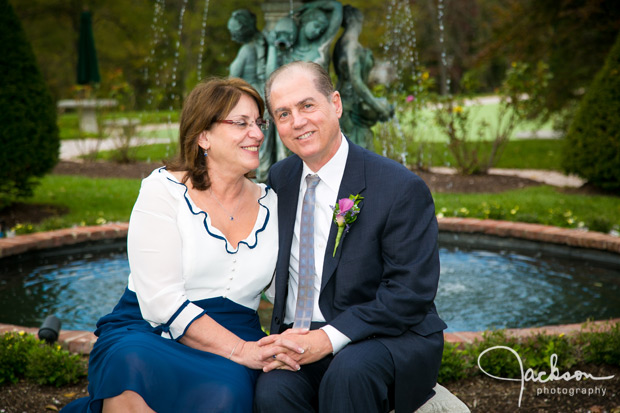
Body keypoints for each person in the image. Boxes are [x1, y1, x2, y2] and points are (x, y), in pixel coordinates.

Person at [61, 78, 303, 413]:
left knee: (226, 394)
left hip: (235, 332)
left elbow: (286, 293)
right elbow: (160, 301)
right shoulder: (163, 191)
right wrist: (241, 351)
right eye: (241, 123)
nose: (259, 134)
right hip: (146, 328)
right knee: (129, 363)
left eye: (258, 123)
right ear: (204, 135)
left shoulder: (274, 204)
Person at [254, 61, 447, 413]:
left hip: (388, 336)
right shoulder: (280, 179)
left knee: (349, 373)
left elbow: (410, 292)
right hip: (300, 333)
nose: (297, 121)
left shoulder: (399, 187)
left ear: (336, 104)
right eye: (283, 113)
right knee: (271, 391)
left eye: (307, 105)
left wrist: (326, 339)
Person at [333, 5, 393, 149]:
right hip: (351, 107)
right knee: (358, 156)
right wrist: (378, 107)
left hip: (348, 103)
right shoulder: (351, 45)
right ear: (355, 20)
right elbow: (356, 82)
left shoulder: (341, 43)